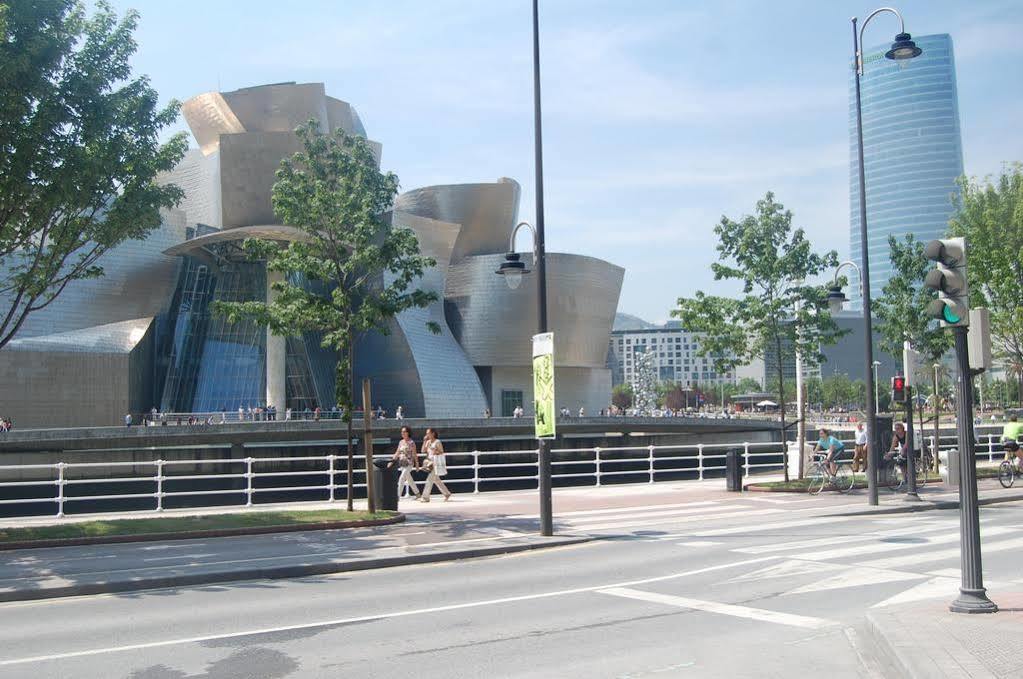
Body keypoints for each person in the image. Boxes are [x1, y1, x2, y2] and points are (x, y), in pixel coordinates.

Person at [418, 427, 451, 502]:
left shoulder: (437, 442)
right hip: (429, 462)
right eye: (426, 433)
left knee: (429, 479)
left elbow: (441, 452)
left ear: (433, 433)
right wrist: (424, 441)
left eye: (428, 433)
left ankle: (425, 497)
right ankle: (446, 493)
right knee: (436, 479)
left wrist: (435, 450)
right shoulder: (428, 442)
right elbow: (423, 451)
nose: (427, 435)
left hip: (435, 462)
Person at [388, 426, 421, 499]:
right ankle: (417, 493)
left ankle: (397, 496)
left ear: (408, 433)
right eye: (401, 432)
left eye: (404, 432)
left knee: (402, 478)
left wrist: (417, 464)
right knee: (409, 479)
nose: (402, 433)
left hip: (409, 463)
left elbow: (414, 454)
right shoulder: (401, 442)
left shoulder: (411, 442)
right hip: (402, 463)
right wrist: (392, 461)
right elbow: (397, 452)